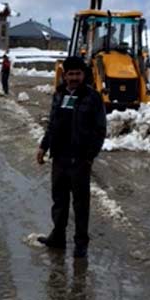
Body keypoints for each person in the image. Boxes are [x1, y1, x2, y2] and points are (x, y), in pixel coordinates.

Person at [35, 56, 106, 258]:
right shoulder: (59, 94)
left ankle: (81, 243)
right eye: (70, 74)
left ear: (83, 75)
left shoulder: (92, 97)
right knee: (59, 200)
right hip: (60, 157)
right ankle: (58, 237)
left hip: (80, 160)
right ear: (64, 75)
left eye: (78, 73)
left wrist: (89, 156)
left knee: (81, 203)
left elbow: (100, 129)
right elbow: (53, 124)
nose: (74, 77)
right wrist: (43, 146)